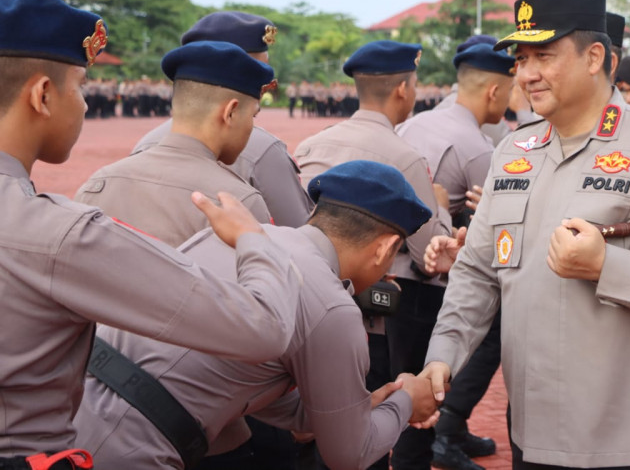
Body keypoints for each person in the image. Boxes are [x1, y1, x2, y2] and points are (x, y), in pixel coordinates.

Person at [420, 0, 630, 470]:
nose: (527, 73)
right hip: (533, 434)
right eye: (522, 58)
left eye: (544, 56)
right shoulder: (513, 151)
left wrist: (607, 266)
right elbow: (477, 272)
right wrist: (443, 355)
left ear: (595, 57)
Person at [0, 0, 304, 469]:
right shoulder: (56, 232)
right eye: (79, 86)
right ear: (42, 94)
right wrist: (251, 238)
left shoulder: (90, 191)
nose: (82, 104)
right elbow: (264, 328)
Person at [73, 161, 439, 470]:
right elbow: (349, 454)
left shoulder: (232, 236)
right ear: (386, 248)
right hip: (128, 443)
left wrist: (352, 410)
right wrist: (406, 403)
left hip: (69, 406)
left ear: (317, 214)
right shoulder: (332, 304)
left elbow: (244, 377)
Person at [295, 40, 452, 470]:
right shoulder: (403, 156)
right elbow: (428, 255)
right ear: (403, 89)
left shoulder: (311, 145)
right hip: (375, 318)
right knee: (366, 431)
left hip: (302, 305)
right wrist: (444, 215)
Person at [397, 43, 515, 470]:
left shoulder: (414, 124)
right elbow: (503, 228)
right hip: (439, 277)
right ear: (494, 91)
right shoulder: (480, 148)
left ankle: (448, 433)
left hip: (391, 276)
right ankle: (446, 434)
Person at [75, 41, 273, 247]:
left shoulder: (98, 184)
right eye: (253, 115)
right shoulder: (240, 203)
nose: (251, 125)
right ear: (230, 113)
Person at [132, 11, 314, 228]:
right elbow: (297, 231)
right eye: (260, 68)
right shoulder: (263, 150)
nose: (267, 79)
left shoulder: (147, 143)